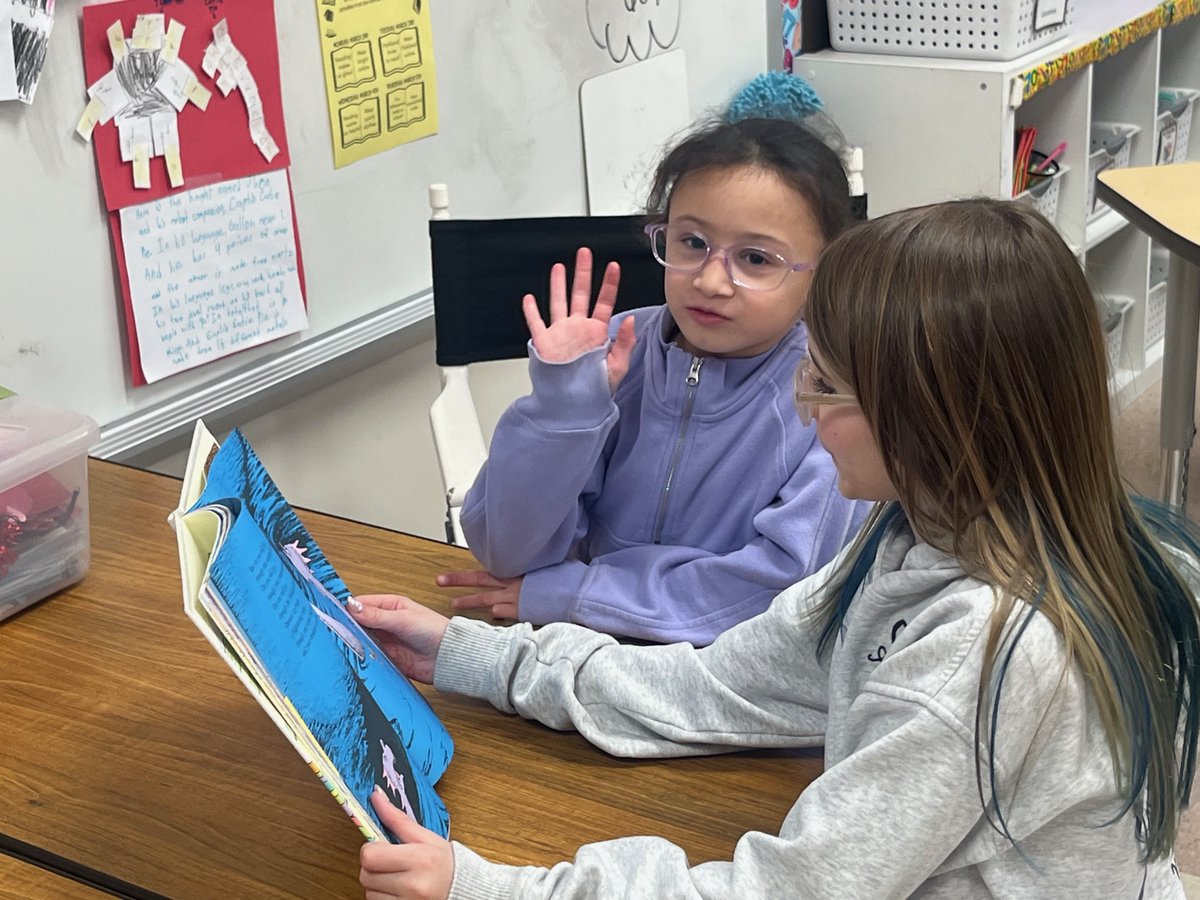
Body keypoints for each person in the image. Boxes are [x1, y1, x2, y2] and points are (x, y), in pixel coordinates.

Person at [350, 197, 1200, 898]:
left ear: (943, 418)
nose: (802, 407)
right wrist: (474, 655)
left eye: (826, 384)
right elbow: (714, 683)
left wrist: (490, 887)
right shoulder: (920, 529)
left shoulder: (979, 660)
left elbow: (790, 893)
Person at [438, 115, 869, 645]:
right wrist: (564, 411)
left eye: (756, 259)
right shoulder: (617, 348)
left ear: (825, 270)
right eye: (691, 242)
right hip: (573, 645)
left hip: (724, 669)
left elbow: (781, 590)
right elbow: (506, 552)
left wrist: (578, 593)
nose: (710, 281)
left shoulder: (835, 394)